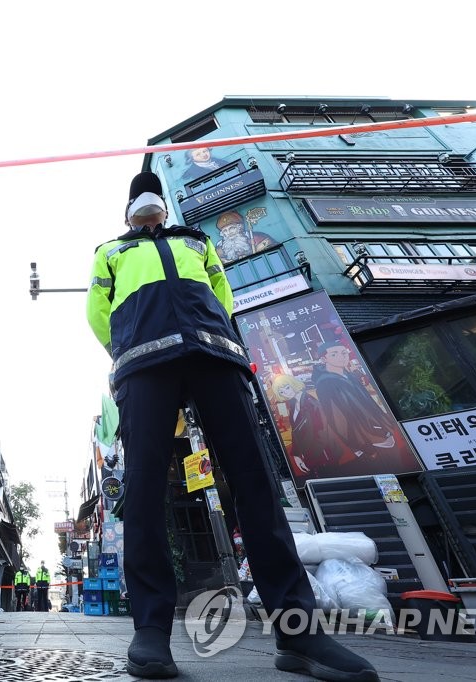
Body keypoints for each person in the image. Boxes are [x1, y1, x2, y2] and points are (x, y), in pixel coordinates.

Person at [86, 172, 377, 681]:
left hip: (216, 356)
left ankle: (299, 632)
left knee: (256, 483)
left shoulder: (196, 241)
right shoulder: (110, 251)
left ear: (165, 209)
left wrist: (212, 333)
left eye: (153, 194)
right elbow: (97, 311)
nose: (148, 200)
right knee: (145, 487)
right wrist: (127, 345)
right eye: (138, 195)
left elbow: (221, 294)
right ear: (127, 210)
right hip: (143, 366)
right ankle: (151, 630)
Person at [312, 341, 413, 477]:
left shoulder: (350, 376)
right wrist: (362, 447)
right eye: (334, 354)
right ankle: (398, 499)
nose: (341, 357)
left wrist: (386, 425)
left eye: (344, 353)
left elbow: (370, 403)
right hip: (367, 441)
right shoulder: (325, 383)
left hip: (383, 433)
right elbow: (337, 420)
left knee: (402, 472)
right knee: (387, 478)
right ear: (324, 359)